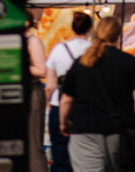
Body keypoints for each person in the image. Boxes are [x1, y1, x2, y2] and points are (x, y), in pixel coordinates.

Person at [59, 15, 135, 172]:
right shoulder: (128, 62)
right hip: (119, 131)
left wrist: (64, 123)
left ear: (96, 32)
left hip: (84, 130)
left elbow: (66, 99)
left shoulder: (82, 62)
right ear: (118, 34)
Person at [45, 11, 93, 172]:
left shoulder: (58, 49)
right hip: (86, 106)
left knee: (59, 155)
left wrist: (48, 103)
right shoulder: (94, 51)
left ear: (72, 28)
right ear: (90, 29)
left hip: (58, 104)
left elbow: (50, 85)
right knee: (85, 157)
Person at [26, 11, 48, 172]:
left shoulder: (33, 41)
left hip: (32, 92)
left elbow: (42, 71)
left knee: (33, 142)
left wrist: (18, 65)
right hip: (20, 92)